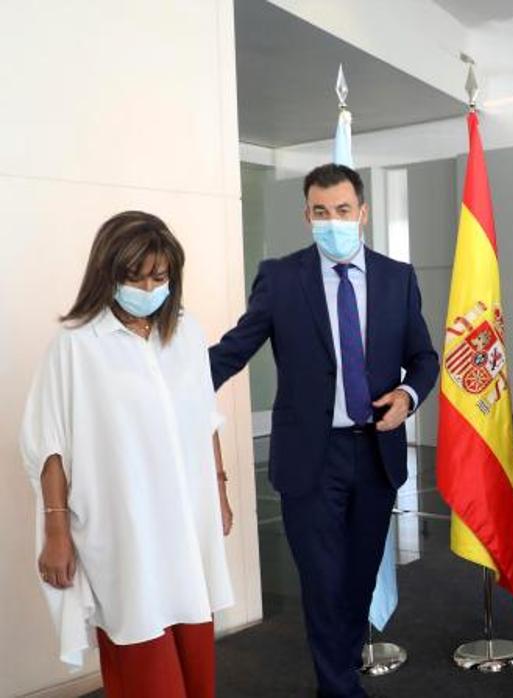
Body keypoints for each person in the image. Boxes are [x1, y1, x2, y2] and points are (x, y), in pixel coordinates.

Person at [209, 163, 438, 697]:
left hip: (375, 453)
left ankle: (340, 676)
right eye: (320, 211)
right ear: (306, 215)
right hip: (309, 458)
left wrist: (407, 396)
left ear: (363, 212)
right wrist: (165, 379)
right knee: (322, 582)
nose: (332, 220)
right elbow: (234, 350)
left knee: (357, 582)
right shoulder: (281, 277)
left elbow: (424, 358)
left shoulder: (397, 278)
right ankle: (338, 689)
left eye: (342, 210)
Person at [20, 211, 234, 697]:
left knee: (195, 657)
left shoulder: (185, 332)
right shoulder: (76, 343)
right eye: (135, 277)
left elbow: (205, 418)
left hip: (186, 523)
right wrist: (56, 532)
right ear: (108, 273)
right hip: (122, 530)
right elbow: (49, 444)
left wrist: (219, 491)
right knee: (142, 656)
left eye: (159, 276)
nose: (148, 288)